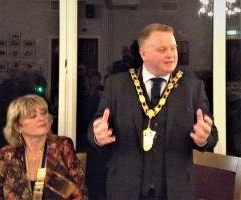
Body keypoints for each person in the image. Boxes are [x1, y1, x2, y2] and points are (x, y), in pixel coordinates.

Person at [88, 23, 218, 200]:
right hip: (125, 189)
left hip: (176, 191)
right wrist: (98, 136)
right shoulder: (116, 85)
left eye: (173, 48)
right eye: (162, 49)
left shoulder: (193, 86)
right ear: (143, 54)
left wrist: (204, 139)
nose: (171, 54)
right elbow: (95, 128)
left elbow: (211, 136)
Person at [0, 94, 85, 199]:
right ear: (18, 127)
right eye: (33, 115)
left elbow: (79, 194)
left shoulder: (61, 146)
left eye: (43, 113)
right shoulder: (7, 154)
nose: (41, 118)